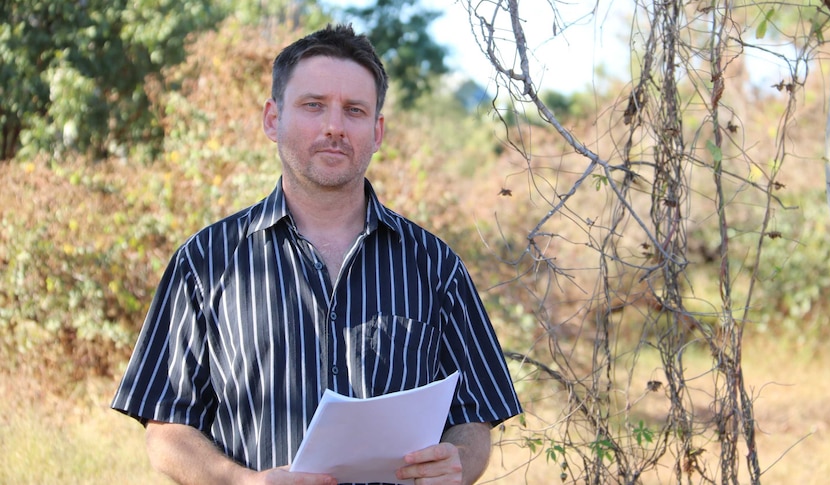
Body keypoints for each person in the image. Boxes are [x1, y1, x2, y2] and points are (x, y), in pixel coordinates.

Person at [112, 23, 522, 485]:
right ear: (273, 118)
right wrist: (244, 482)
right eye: (313, 105)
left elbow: (476, 417)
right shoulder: (205, 262)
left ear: (377, 129)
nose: (334, 126)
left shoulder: (435, 265)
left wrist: (458, 464)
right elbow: (166, 429)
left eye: (354, 110)